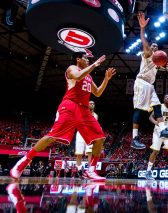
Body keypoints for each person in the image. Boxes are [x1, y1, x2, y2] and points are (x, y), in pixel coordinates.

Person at [10, 52, 116, 181]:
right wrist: (95, 64)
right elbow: (77, 77)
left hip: (84, 110)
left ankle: (91, 170)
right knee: (51, 137)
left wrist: (106, 79)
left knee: (100, 138)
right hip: (69, 106)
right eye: (85, 58)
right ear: (78, 59)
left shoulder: (88, 75)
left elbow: (98, 93)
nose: (88, 60)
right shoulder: (72, 68)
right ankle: (23, 162)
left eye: (89, 60)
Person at [131, 12, 168, 149]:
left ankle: (163, 129)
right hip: (141, 82)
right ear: (150, 48)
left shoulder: (157, 63)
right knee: (139, 109)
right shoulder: (147, 54)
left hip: (150, 86)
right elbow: (144, 41)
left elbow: (160, 69)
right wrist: (142, 28)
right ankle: (134, 137)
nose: (155, 48)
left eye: (157, 47)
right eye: (153, 46)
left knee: (157, 106)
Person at [145, 94, 168, 180]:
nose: (167, 98)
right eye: (166, 97)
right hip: (158, 131)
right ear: (163, 99)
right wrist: (156, 123)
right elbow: (150, 117)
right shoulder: (159, 106)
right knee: (155, 152)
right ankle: (148, 172)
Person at [75, 100, 98, 177]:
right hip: (81, 134)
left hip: (90, 135)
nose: (92, 104)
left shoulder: (96, 115)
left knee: (90, 153)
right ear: (87, 105)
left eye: (93, 103)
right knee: (79, 154)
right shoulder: (82, 111)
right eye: (90, 103)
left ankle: (89, 171)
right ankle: (79, 170)